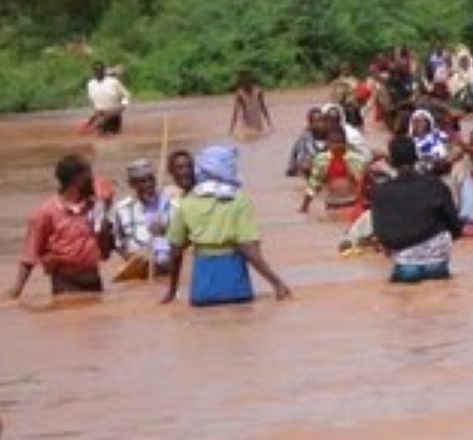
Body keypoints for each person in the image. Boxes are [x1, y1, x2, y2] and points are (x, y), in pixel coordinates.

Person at [160, 145, 292, 306]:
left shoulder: (186, 204)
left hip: (202, 286)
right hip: (235, 283)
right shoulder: (240, 201)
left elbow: (175, 252)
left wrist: (172, 291)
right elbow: (249, 249)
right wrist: (277, 284)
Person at [7, 154, 114, 299]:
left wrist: (106, 207)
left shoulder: (93, 207)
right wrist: (16, 290)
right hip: (66, 284)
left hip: (94, 281)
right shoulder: (45, 213)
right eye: (89, 177)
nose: (93, 181)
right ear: (77, 180)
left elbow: (105, 251)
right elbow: (29, 255)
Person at [372, 136, 461, 282]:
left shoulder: (381, 192)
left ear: (391, 161)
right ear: (416, 158)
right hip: (437, 261)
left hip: (406, 264)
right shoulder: (436, 185)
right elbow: (455, 226)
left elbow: (382, 234)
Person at [108, 159, 175, 282]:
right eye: (142, 181)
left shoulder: (171, 205)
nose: (148, 184)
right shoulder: (121, 209)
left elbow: (183, 244)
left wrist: (163, 231)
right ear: (131, 184)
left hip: (168, 272)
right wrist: (135, 260)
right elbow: (118, 244)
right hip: (139, 273)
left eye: (151, 179)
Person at [299, 116, 375, 217]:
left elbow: (363, 182)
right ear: (328, 143)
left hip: (352, 203)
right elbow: (314, 184)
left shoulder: (356, 159)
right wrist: (304, 206)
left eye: (340, 142)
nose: (337, 145)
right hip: (332, 204)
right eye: (334, 142)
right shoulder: (321, 160)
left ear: (346, 143)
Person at [84, 62, 130, 136]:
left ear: (104, 71)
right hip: (99, 113)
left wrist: (123, 105)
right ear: (93, 72)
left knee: (109, 133)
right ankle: (98, 126)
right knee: (87, 129)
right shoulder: (90, 84)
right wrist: (94, 113)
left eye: (100, 70)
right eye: (96, 70)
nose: (98, 72)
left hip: (113, 113)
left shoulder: (113, 82)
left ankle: (102, 126)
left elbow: (127, 95)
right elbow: (91, 101)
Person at [227, 74, 274, 138]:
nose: (246, 85)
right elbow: (235, 112)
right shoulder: (240, 94)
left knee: (258, 140)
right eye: (245, 83)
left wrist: (270, 124)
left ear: (251, 82)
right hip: (246, 124)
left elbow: (263, 107)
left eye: (248, 82)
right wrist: (231, 129)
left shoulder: (258, 91)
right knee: (247, 139)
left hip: (257, 122)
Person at [286, 107, 327, 178]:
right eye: (316, 121)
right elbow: (299, 157)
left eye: (321, 121)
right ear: (310, 124)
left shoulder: (332, 137)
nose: (319, 124)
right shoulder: (304, 139)